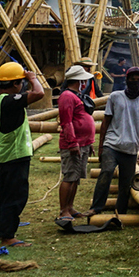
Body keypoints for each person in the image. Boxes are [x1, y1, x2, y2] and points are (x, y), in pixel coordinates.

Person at [0, 61, 46, 246]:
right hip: (15, 155)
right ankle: (8, 236)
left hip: (4, 155)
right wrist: (33, 78)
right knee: (15, 196)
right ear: (15, 84)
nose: (23, 86)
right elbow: (39, 93)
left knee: (1, 194)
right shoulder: (9, 101)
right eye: (21, 82)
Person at [86, 66, 139, 216]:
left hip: (131, 148)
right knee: (106, 172)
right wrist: (101, 146)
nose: (136, 83)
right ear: (127, 81)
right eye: (133, 80)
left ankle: (121, 211)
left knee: (126, 183)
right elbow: (105, 122)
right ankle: (96, 207)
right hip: (111, 145)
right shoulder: (115, 97)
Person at [57, 65, 96, 220]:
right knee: (70, 177)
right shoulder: (67, 96)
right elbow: (66, 122)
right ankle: (63, 210)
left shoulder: (76, 95)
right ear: (79, 81)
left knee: (76, 177)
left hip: (83, 143)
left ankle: (70, 207)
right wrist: (72, 143)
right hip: (74, 144)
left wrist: (89, 142)